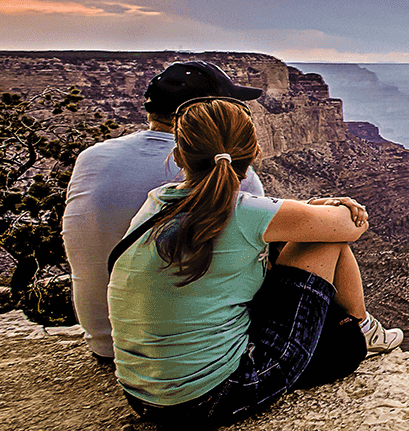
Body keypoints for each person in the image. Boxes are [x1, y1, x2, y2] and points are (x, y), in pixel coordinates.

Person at [108, 97, 402, 431]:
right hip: (210, 399)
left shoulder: (156, 205)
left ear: (177, 155)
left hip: (142, 395)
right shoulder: (247, 213)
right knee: (324, 239)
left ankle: (358, 331)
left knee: (296, 239)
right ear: (254, 154)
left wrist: (307, 212)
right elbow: (350, 226)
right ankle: (362, 329)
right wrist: (323, 209)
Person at [63, 60, 269, 364]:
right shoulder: (226, 170)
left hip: (108, 346)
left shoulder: (90, 158)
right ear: (209, 113)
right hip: (189, 357)